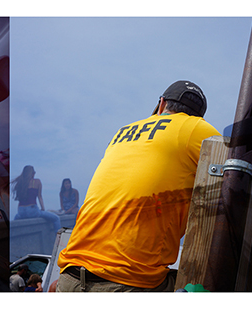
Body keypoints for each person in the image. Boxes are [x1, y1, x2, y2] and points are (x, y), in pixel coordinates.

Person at [55, 80, 223, 292]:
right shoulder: (196, 127)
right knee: (210, 287)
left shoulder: (122, 132)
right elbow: (234, 171)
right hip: (127, 283)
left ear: (161, 105)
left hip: (69, 277)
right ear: (199, 116)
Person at [11, 165, 61, 231]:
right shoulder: (37, 182)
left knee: (14, 223)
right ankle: (59, 240)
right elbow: (40, 196)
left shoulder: (21, 183)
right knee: (56, 218)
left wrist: (20, 211)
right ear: (32, 173)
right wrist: (43, 208)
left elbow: (20, 199)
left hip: (21, 211)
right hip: (32, 210)